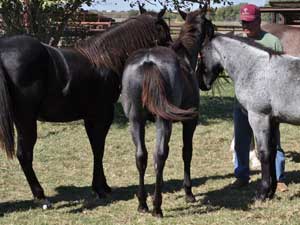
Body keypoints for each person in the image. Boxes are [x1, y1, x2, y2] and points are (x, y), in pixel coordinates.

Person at [231, 3, 288, 192]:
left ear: (259, 20)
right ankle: (241, 175)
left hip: (269, 103)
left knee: (273, 139)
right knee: (241, 139)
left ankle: (278, 178)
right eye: (243, 22)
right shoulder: (238, 43)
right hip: (243, 101)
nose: (245, 27)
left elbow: (281, 71)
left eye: (249, 22)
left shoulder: (272, 42)